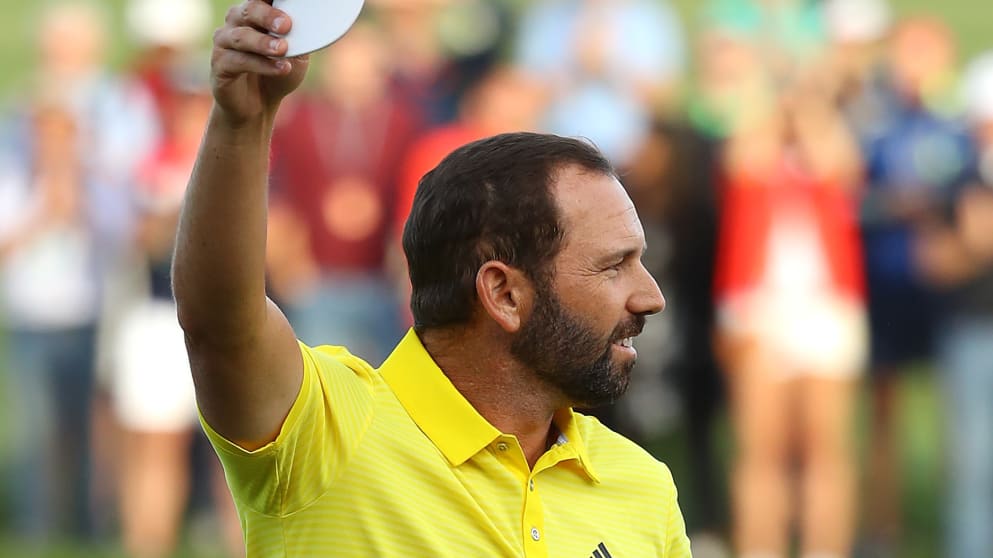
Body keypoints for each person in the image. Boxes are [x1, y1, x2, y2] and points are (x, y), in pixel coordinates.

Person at [171, 2, 691, 556]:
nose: (651, 297)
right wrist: (242, 122)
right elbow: (220, 324)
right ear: (503, 294)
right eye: (613, 266)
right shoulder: (324, 433)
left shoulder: (644, 487)